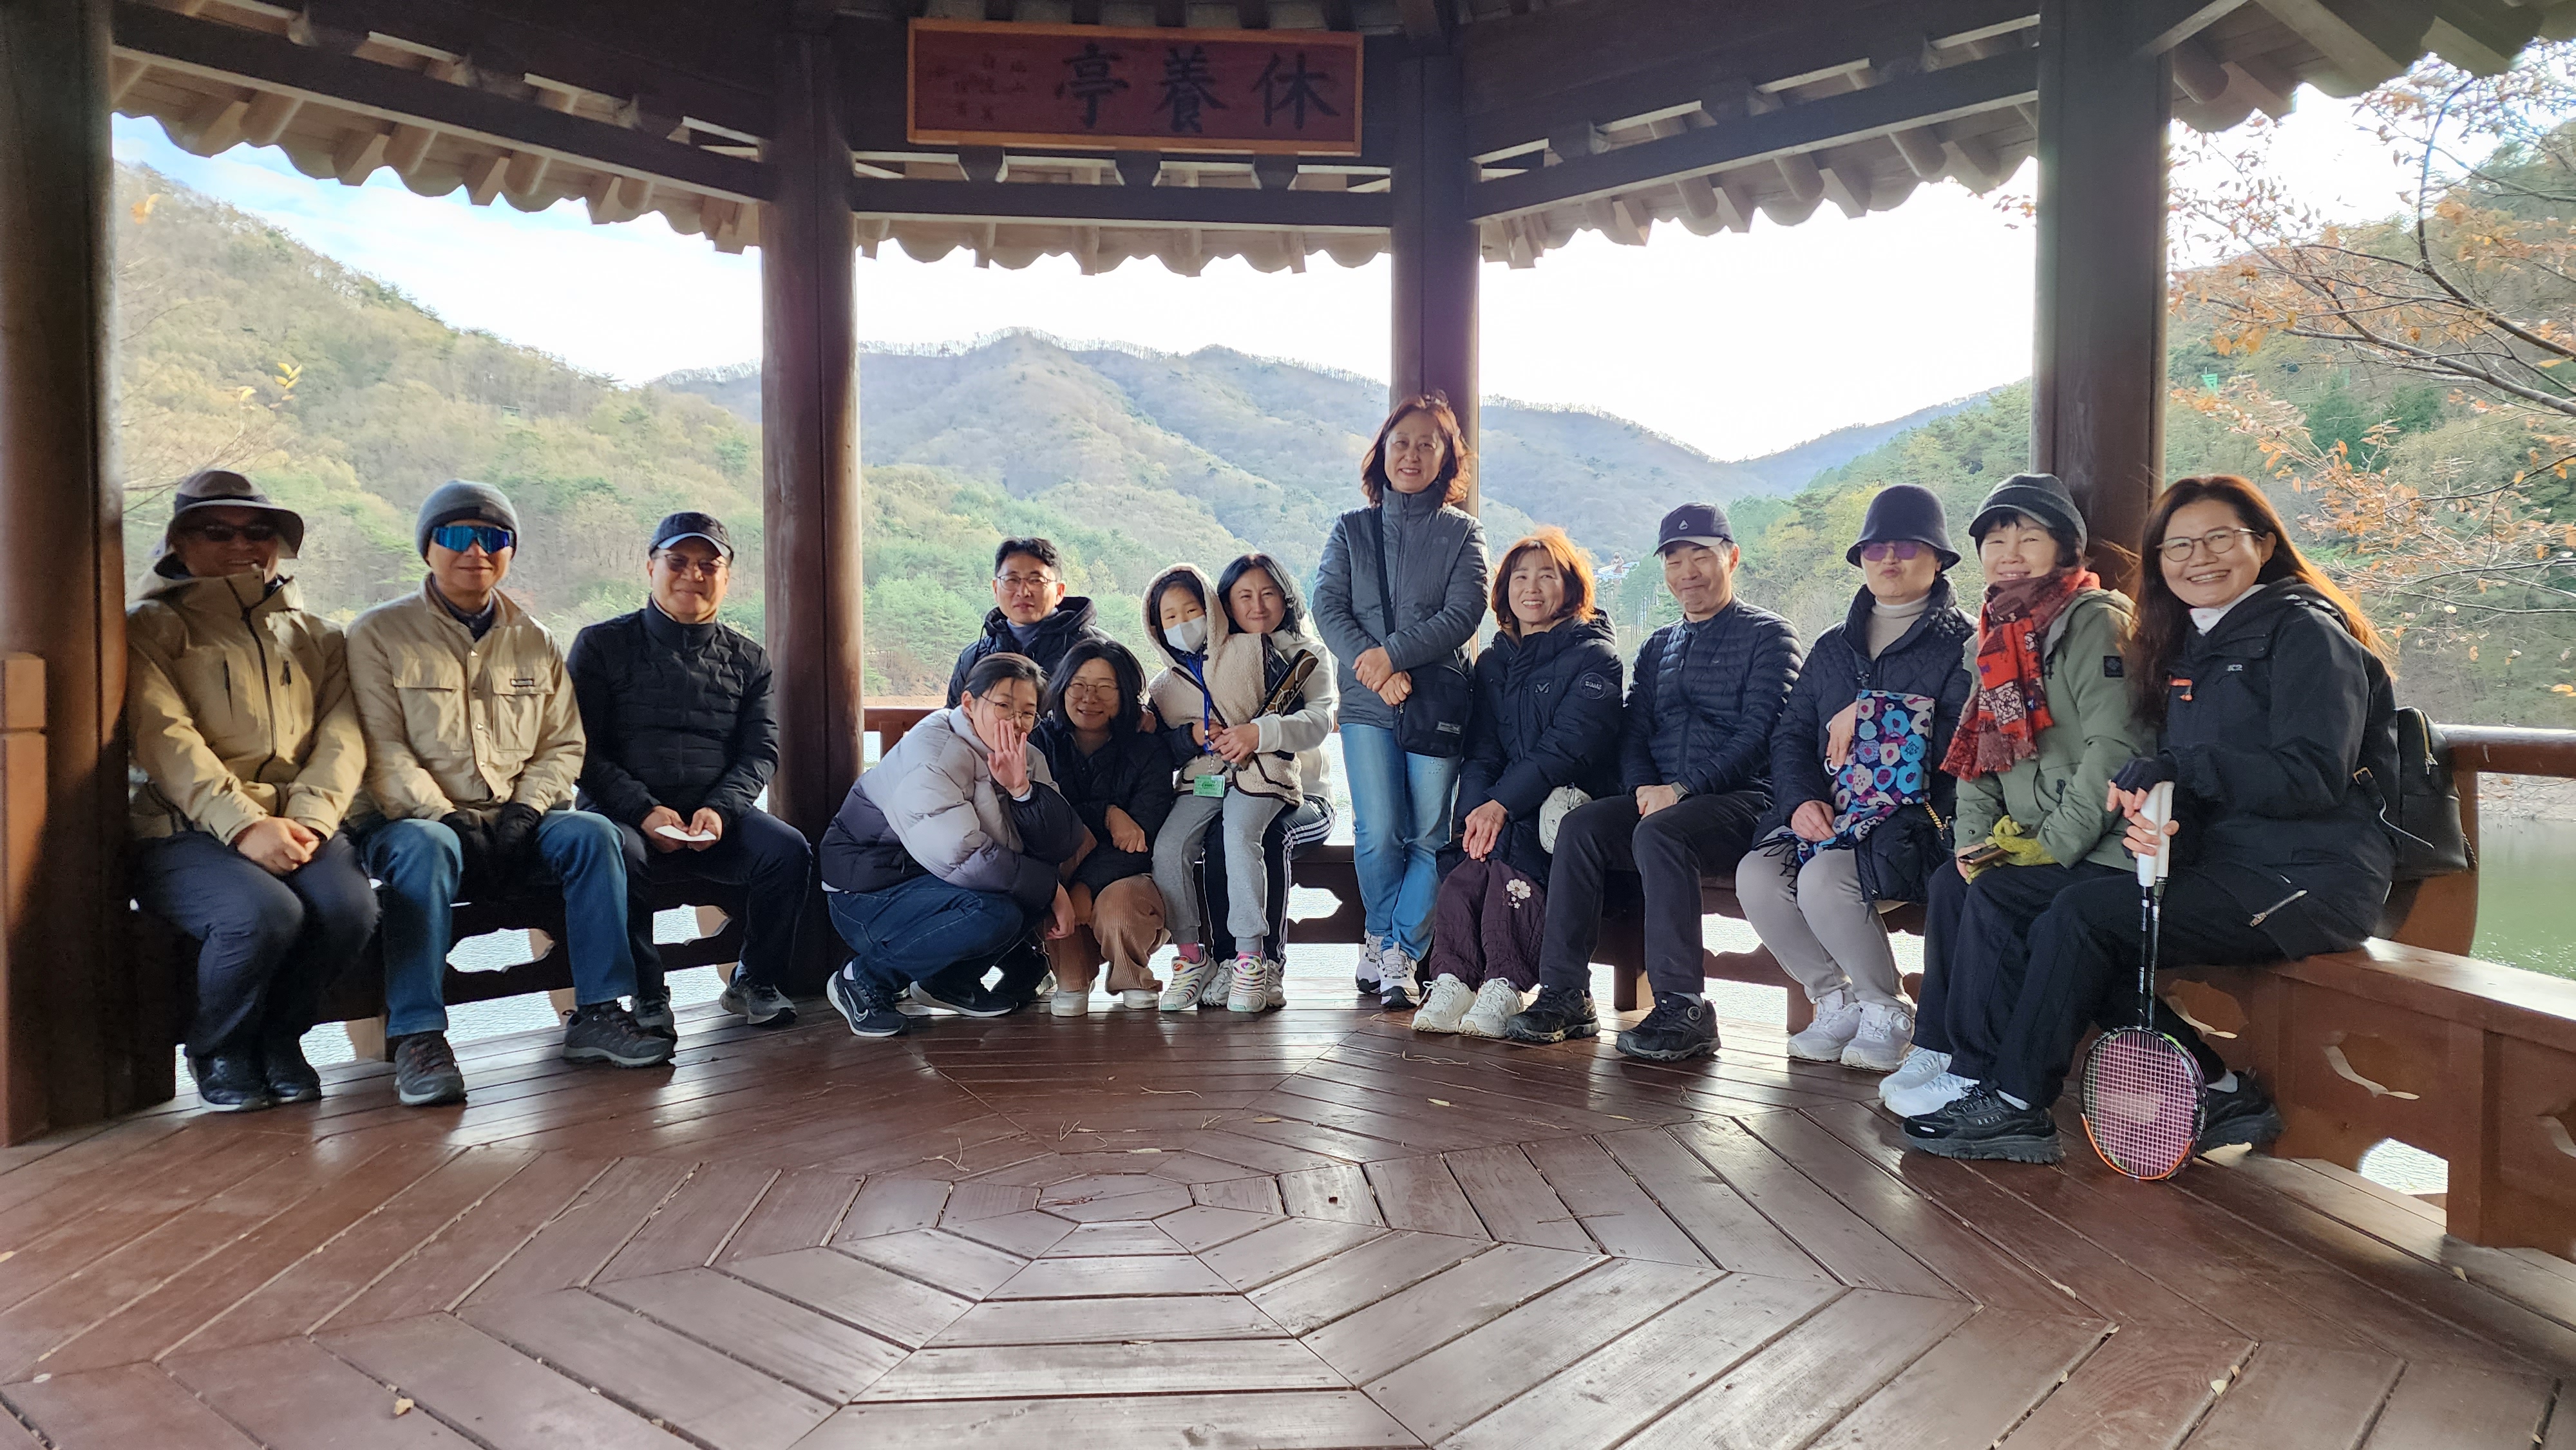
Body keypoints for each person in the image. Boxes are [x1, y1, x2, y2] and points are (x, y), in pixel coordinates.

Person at [1904, 475, 2396, 1163]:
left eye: (2219, 538)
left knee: (2084, 917)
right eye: (2179, 546)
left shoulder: (2306, 632)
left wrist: (2181, 773)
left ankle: (2016, 1102)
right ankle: (2217, 1087)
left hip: (2306, 880)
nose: (2200, 558)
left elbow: (2313, 775)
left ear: (2262, 544)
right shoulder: (2190, 642)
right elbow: (2191, 774)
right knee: (2015, 896)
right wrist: (2167, 822)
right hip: (2223, 866)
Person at [348, 480, 670, 1107]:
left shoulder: (535, 639)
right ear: (428, 547)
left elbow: (562, 744)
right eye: (456, 535)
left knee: (596, 834)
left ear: (511, 551)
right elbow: (381, 750)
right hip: (415, 821)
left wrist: (527, 808)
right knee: (426, 848)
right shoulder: (378, 634)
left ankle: (599, 1011)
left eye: (493, 537)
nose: (476, 550)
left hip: (516, 817)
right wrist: (445, 815)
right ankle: (418, 1036)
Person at [1879, 473, 2146, 1121]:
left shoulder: (2095, 621)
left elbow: (2116, 747)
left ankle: (1975, 1068)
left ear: (2065, 548)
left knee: (1998, 894)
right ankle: (1938, 1046)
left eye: (2029, 538)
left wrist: (2053, 842)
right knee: (1953, 880)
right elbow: (1978, 752)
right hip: (2028, 836)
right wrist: (1974, 839)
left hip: (2105, 842)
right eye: (1996, 540)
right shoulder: (1993, 635)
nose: (2011, 553)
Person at [1506, 502, 1801, 1062]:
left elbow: (1760, 734)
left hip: (1743, 802)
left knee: (1662, 832)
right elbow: (1634, 730)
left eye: (1701, 556)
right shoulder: (1659, 646)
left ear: (1731, 558)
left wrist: (1680, 790)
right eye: (1674, 560)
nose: (1687, 572)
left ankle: (1684, 1008)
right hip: (1663, 804)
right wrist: (1644, 788)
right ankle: (1565, 994)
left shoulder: (1770, 636)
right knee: (1583, 827)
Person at [126, 471, 376, 1111]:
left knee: (349, 908)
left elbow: (343, 737)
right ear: (180, 543)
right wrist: (242, 824)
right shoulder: (149, 629)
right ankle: (220, 1048)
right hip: (183, 828)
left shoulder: (318, 636)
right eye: (217, 531)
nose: (241, 544)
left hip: (298, 820)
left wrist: (312, 820)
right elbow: (165, 738)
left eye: (258, 530)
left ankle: (280, 1038)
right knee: (262, 914)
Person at [1738, 485, 1974, 1073]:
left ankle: (1886, 1006)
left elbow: (1958, 739)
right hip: (1832, 812)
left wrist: (1868, 713)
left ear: (1938, 558)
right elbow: (1791, 736)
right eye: (1876, 548)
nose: (1889, 559)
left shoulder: (1966, 643)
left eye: (1907, 546)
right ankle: (1835, 999)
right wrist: (1799, 802)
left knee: (1825, 878)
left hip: (1917, 821)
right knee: (1757, 876)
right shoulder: (1832, 647)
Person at [569, 511, 809, 1033]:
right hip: (623, 816)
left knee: (788, 851)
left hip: (709, 818)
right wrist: (643, 810)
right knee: (620, 853)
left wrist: (720, 811)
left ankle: (755, 979)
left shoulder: (748, 659)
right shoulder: (600, 645)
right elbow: (581, 750)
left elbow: (760, 751)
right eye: (677, 562)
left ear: (727, 577)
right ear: (650, 568)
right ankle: (647, 992)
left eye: (708, 565)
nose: (692, 576)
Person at [1312, 394, 1490, 1008]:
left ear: (1446, 458)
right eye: (1401, 442)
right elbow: (1328, 606)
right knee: (1378, 831)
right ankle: (1381, 934)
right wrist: (1376, 670)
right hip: (1368, 706)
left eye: (1427, 444)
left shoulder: (1463, 533)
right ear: (1382, 452)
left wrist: (1392, 655)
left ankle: (1401, 952)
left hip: (1435, 704)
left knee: (1429, 834)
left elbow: (1465, 611)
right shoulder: (1351, 529)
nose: (1412, 454)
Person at [1416, 529, 1623, 1039]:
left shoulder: (1596, 657)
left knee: (1514, 864)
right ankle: (1453, 978)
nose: (1532, 588)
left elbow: (1567, 748)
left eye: (1547, 576)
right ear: (1504, 590)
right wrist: (1474, 814)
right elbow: (1483, 748)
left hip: (1563, 802)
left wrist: (1501, 807)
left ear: (1571, 587)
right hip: (1505, 800)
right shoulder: (1494, 661)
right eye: (1520, 577)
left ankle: (1505, 982)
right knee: (1466, 866)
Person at [817, 653, 1084, 1037]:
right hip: (869, 893)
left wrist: (1021, 790)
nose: (1016, 722)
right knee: (998, 909)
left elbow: (1059, 841)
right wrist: (1051, 890)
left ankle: (948, 983)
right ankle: (863, 979)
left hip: (935, 883)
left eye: (1028, 713)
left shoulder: (1026, 756)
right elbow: (965, 857)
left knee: (1027, 891)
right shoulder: (932, 755)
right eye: (1003, 706)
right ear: (969, 703)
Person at [1178, 554, 1339, 1011]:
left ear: (1285, 598)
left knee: (1269, 837)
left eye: (1268, 593)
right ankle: (1229, 961)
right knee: (1218, 836)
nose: (1258, 605)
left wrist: (1258, 733)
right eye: (1244, 595)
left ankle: (1268, 965)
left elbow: (1318, 721)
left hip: (1305, 799)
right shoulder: (1217, 655)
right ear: (1225, 603)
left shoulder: (1307, 654)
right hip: (1237, 793)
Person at [1141, 565, 1304, 1013]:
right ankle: (1192, 957)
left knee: (1238, 836)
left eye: (1192, 610)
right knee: (1169, 848)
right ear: (1157, 626)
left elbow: (1295, 711)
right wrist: (1189, 736)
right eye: (1170, 616)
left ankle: (1251, 957)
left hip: (1259, 772)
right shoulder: (1163, 686)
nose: (1183, 623)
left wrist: (1255, 736)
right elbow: (1163, 751)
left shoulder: (1252, 648)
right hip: (1203, 778)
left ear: (1212, 609)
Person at [1032, 639, 1172, 1015]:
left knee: (1118, 905)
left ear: (1125, 695)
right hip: (1062, 867)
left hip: (1130, 874)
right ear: (1062, 688)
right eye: (1078, 685)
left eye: (1105, 687)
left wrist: (1086, 886)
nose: (1089, 698)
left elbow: (1142, 838)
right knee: (1053, 869)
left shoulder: (1148, 750)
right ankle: (1072, 978)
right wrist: (1108, 813)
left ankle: (1133, 976)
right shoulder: (1040, 743)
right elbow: (1044, 815)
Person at [945, 537, 1105, 707]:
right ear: (995, 589)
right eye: (1012, 580)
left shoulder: (1095, 648)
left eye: (1036, 580)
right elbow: (953, 717)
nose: (1023, 592)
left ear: (1059, 592)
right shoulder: (974, 656)